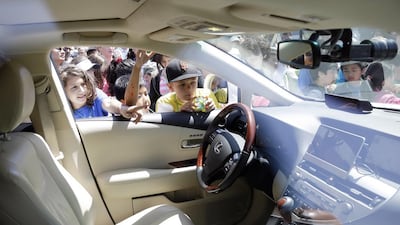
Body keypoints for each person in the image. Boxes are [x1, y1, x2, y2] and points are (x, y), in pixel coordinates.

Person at [59, 65, 146, 122]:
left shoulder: (96, 96)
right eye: (74, 87)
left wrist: (122, 108)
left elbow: (108, 103)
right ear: (63, 91)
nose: (82, 90)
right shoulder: (62, 113)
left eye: (83, 84)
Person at [155, 59, 221, 112]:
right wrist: (180, 115)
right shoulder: (164, 102)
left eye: (193, 83)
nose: (189, 88)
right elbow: (165, 127)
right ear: (170, 87)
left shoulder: (207, 94)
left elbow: (220, 122)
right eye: (182, 85)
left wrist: (213, 110)